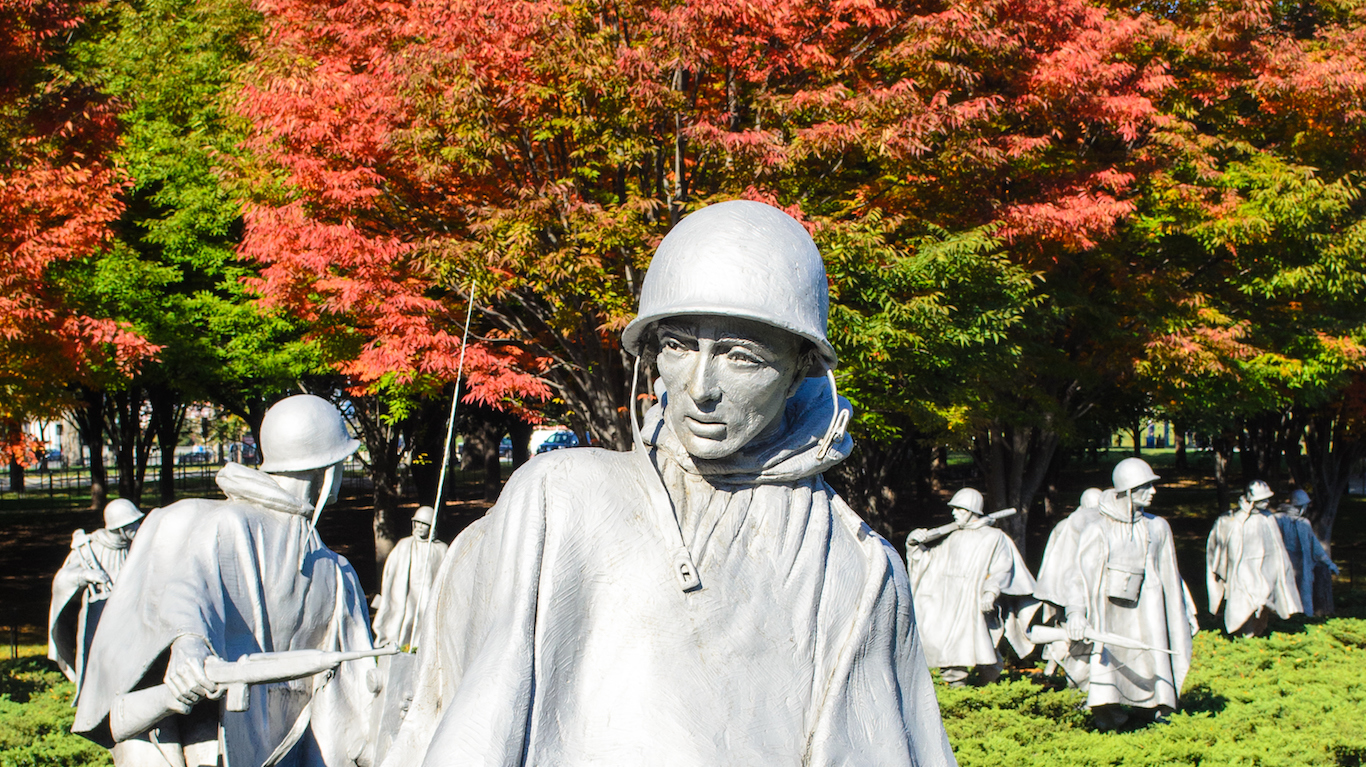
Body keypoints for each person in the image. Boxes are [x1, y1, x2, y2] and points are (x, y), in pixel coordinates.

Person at [382, 200, 956, 766]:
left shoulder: (855, 565)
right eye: (679, 346)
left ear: (803, 365)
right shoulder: (560, 499)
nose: (700, 387)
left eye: (741, 358)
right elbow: (478, 721)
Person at [73, 394, 377, 767]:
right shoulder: (227, 526)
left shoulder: (333, 568)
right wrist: (189, 646)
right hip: (214, 745)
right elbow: (185, 589)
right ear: (329, 471)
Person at [1034, 458, 1198, 731]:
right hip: (1106, 613)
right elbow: (1078, 576)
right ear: (1128, 490)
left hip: (1150, 611)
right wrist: (1075, 613)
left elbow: (1173, 576)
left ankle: (1152, 710)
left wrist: (1185, 611)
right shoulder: (1098, 529)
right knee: (1106, 666)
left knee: (1151, 657)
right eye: (1146, 486)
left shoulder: (1158, 528)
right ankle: (1109, 717)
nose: (1154, 492)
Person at [906, 488, 1038, 686]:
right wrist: (913, 545)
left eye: (958, 509)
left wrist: (990, 592)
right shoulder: (955, 537)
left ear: (970, 510)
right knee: (950, 653)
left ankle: (986, 687)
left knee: (984, 651)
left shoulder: (994, 537)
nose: (954, 513)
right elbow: (930, 562)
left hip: (974, 600)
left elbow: (1002, 569)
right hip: (949, 602)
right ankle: (957, 688)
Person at [48, 499, 145, 689]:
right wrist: (85, 575)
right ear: (118, 528)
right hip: (101, 627)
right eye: (131, 524)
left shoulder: (137, 547)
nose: (137, 527)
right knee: (103, 679)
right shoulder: (89, 549)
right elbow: (61, 581)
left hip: (132, 626)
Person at [1207, 480, 1303, 636]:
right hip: (1243, 570)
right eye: (1261, 500)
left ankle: (1254, 635)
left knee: (1262, 604)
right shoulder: (1234, 519)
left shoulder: (1268, 518)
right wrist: (1243, 514)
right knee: (1245, 603)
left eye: (1267, 499)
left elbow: (1277, 548)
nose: (1266, 502)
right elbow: (1228, 542)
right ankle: (1243, 635)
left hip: (1266, 570)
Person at [372, 505, 448, 649]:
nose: (420, 527)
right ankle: (398, 645)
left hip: (427, 595)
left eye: (424, 524)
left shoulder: (440, 549)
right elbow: (390, 573)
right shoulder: (404, 545)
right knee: (403, 619)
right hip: (405, 595)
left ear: (432, 526)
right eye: (417, 522)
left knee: (422, 620)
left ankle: (417, 647)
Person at [1273, 489, 1339, 616]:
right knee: (1285, 596)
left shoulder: (1304, 523)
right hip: (1284, 567)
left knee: (1305, 596)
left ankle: (1305, 620)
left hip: (1304, 569)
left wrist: (1329, 564)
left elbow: (1316, 547)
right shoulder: (1279, 520)